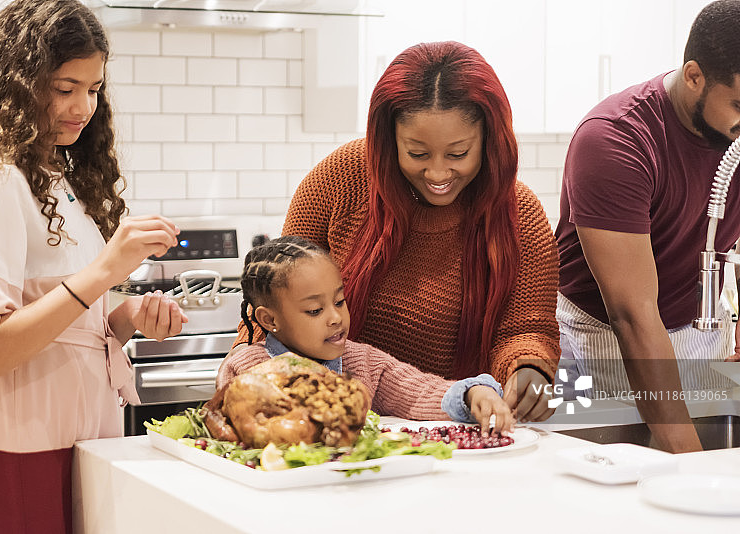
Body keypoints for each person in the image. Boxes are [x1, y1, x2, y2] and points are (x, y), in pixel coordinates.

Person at [0, 1, 187, 531]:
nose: (83, 106)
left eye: (94, 89)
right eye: (64, 87)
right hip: (19, 442)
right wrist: (103, 271)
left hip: (83, 435)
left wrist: (126, 319)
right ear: (15, 83)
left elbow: (65, 328)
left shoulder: (57, 182)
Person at [231, 41, 561, 423]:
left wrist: (531, 371)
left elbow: (526, 328)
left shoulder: (520, 215)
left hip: (453, 423)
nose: (438, 173)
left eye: (457, 154)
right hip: (330, 422)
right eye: (418, 154)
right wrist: (251, 374)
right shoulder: (339, 180)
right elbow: (280, 296)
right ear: (389, 139)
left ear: (490, 140)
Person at [555, 0, 740, 454]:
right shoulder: (615, 140)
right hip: (599, 342)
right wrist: (694, 466)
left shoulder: (733, 134)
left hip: (696, 335)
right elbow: (632, 316)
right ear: (695, 76)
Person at [218, 236, 515, 434]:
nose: (335, 318)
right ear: (270, 320)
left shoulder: (364, 363)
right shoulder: (247, 368)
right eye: (314, 311)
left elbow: (420, 392)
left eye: (339, 301)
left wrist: (472, 393)